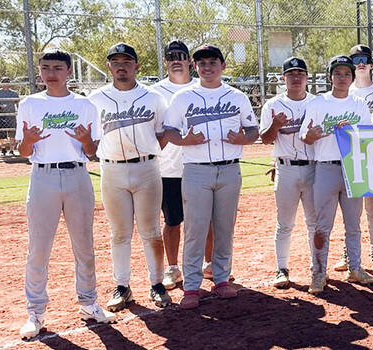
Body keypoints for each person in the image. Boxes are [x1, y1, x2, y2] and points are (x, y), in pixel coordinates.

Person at [16, 49, 115, 339]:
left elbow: (92, 151)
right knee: (38, 248)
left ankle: (89, 303)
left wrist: (86, 140)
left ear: (69, 71)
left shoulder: (84, 105)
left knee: (84, 246)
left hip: (77, 175)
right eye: (45, 67)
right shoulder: (29, 103)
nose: (51, 73)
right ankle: (34, 312)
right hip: (43, 175)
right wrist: (30, 141)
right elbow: (24, 151)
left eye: (57, 67)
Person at [164, 45, 259, 308]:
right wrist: (184, 141)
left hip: (229, 168)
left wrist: (244, 139)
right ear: (196, 67)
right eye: (202, 63)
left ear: (223, 66)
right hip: (196, 169)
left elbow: (253, 130)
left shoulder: (237, 96)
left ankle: (221, 279)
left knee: (224, 227)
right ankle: (192, 286)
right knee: (195, 228)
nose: (207, 67)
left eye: (212, 62)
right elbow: (168, 131)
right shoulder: (183, 97)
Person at [89, 43, 171, 311]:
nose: (121, 65)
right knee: (119, 233)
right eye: (115, 61)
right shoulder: (96, 99)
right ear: (109, 66)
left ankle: (157, 283)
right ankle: (122, 286)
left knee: (151, 232)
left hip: (147, 168)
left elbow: (162, 134)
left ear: (137, 65)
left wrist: (147, 153)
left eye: (127, 61)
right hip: (111, 169)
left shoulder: (154, 98)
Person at [299, 55, 373, 293]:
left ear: (352, 77)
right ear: (329, 77)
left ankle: (355, 268)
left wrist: (350, 132)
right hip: (326, 167)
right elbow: (305, 136)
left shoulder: (358, 103)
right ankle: (318, 273)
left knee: (353, 224)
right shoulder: (318, 103)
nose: (342, 78)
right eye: (337, 73)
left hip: (353, 167)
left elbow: (365, 137)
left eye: (346, 74)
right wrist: (313, 134)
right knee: (322, 225)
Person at [330, 44, 373, 273]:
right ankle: (349, 253)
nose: (361, 62)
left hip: (372, 157)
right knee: (350, 213)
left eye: (365, 58)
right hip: (348, 160)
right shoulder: (345, 91)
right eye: (355, 59)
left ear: (371, 64)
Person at [259, 56, 317, 289]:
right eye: (291, 74)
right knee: (285, 223)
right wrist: (275, 126)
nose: (295, 78)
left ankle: (317, 266)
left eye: (300, 74)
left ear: (306, 78)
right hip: (286, 168)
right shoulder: (272, 105)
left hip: (314, 168)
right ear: (283, 78)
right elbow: (265, 140)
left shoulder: (317, 103)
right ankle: (281, 269)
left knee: (314, 222)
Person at [150, 40, 199, 290]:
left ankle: (208, 263)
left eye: (181, 55)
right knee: (172, 221)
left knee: (205, 220)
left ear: (190, 60)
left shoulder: (202, 87)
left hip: (199, 164)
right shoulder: (155, 92)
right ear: (166, 61)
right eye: (171, 56)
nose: (176, 60)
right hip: (168, 168)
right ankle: (172, 268)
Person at [0, 77, 20, 155]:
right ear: (1, 83)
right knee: (0, 133)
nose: (5, 83)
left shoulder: (14, 93)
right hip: (0, 115)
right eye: (4, 82)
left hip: (11, 115)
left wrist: (19, 113)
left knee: (12, 133)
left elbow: (18, 104)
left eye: (7, 82)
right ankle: (3, 148)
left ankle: (11, 150)